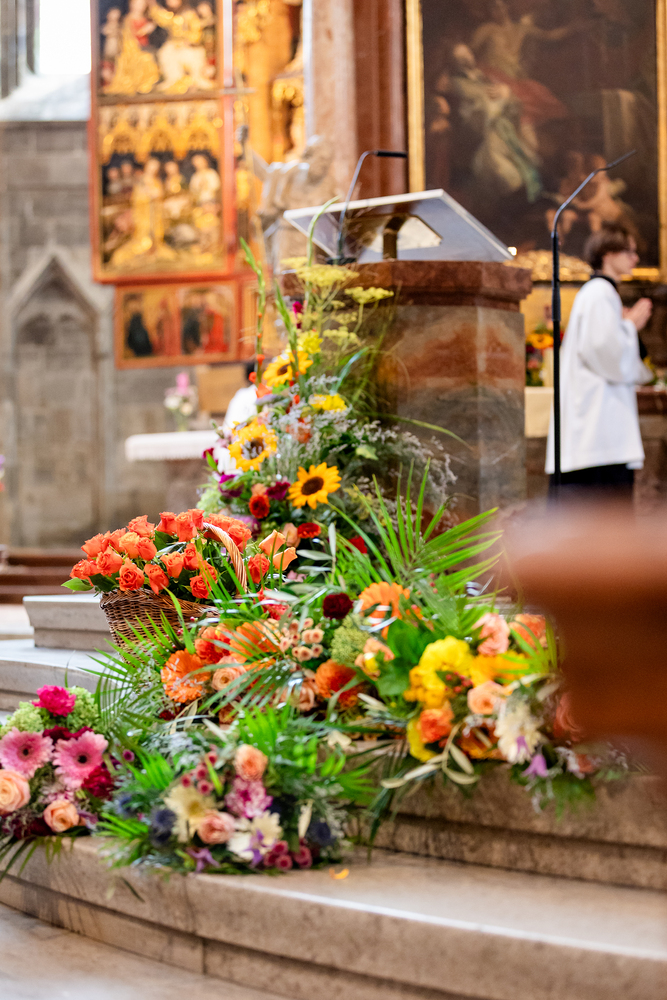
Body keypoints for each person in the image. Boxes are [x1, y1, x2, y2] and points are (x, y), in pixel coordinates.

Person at [545, 223, 653, 500]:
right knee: (600, 516)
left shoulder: (600, 293)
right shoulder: (599, 292)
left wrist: (624, 326)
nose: (635, 258)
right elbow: (605, 352)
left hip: (597, 434)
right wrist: (630, 325)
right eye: (629, 252)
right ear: (608, 253)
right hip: (596, 434)